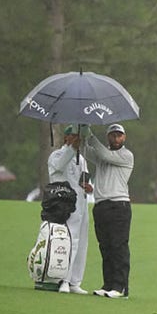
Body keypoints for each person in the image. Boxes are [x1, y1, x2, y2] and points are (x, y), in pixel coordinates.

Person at [83, 123, 134, 299]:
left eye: (119, 135)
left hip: (119, 206)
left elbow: (103, 153)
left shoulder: (126, 155)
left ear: (124, 137)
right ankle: (108, 284)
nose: (116, 138)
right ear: (108, 137)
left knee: (118, 246)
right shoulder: (102, 156)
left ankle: (121, 287)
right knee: (105, 247)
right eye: (113, 135)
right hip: (101, 206)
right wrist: (80, 130)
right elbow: (85, 151)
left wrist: (89, 134)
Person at [47, 125, 93, 295]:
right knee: (68, 241)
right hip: (63, 205)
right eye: (73, 136)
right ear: (66, 138)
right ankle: (63, 279)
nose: (77, 140)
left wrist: (89, 187)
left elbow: (85, 180)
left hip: (81, 204)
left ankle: (75, 281)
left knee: (81, 242)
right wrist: (72, 148)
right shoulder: (57, 154)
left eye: (78, 137)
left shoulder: (82, 158)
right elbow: (59, 167)